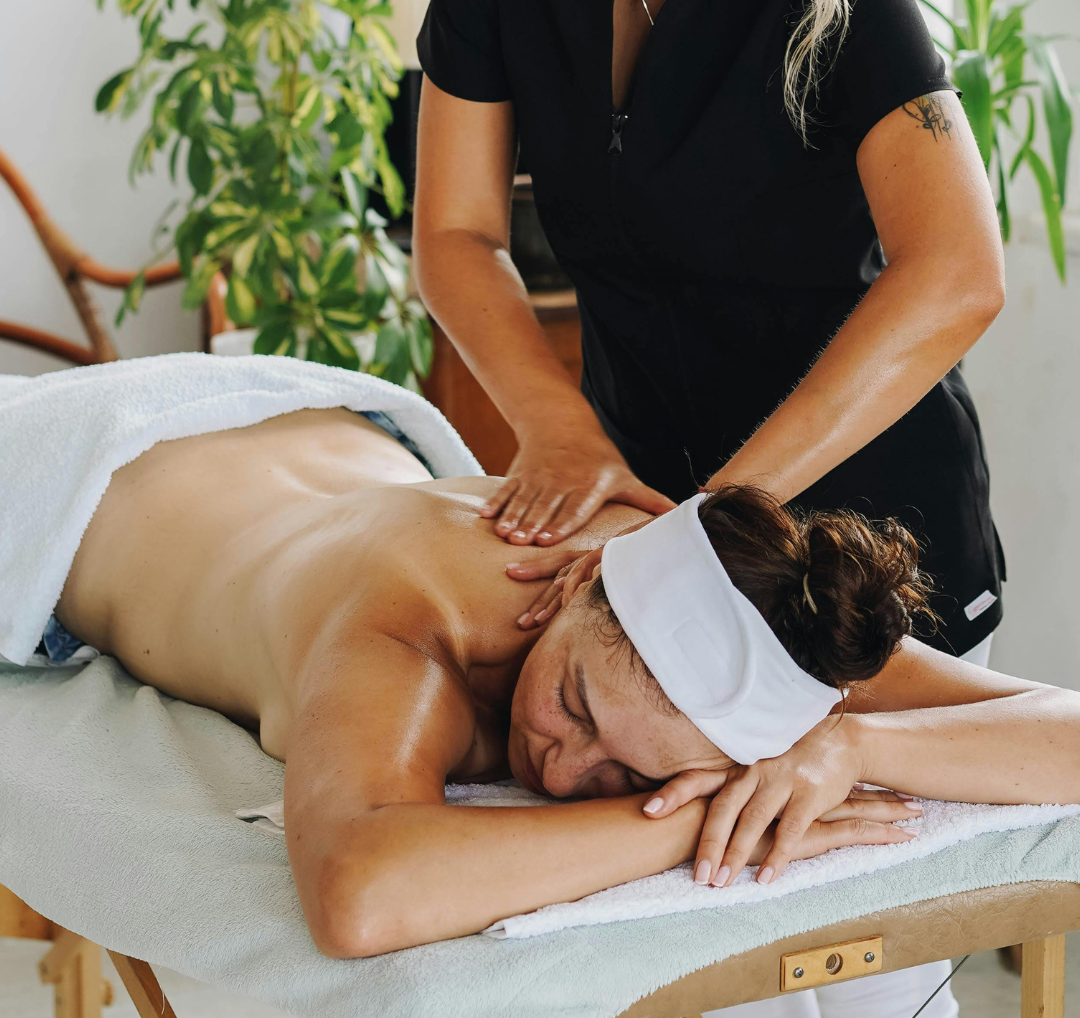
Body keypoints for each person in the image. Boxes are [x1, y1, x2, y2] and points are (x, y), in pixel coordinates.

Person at [411, 0, 1006, 1018]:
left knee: (877, 986)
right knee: (714, 962)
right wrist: (553, 423)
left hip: (857, 559)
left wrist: (708, 521)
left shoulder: (847, 18)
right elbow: (455, 233)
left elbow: (958, 270)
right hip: (650, 555)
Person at [51, 407, 1080, 977]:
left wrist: (856, 750)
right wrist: (698, 823)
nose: (562, 768)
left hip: (335, 429)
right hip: (87, 470)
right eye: (577, 707)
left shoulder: (742, 624)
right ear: (583, 577)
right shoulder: (409, 630)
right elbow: (356, 893)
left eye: (632, 774)